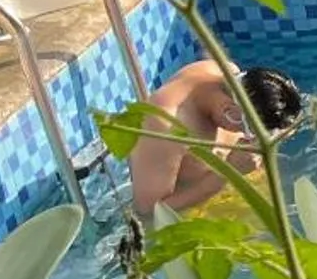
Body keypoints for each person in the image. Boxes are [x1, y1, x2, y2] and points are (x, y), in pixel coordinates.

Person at [128, 60, 303, 218]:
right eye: (250, 132)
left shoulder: (224, 70)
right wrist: (227, 173)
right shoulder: (166, 126)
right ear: (228, 109)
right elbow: (147, 211)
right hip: (199, 211)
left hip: (234, 191)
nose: (252, 138)